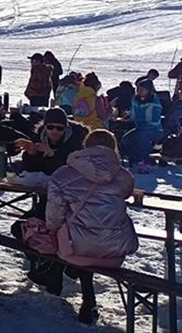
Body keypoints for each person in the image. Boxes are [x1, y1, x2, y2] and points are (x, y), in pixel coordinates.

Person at [42, 129, 138, 325]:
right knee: (86, 235)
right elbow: (125, 195)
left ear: (85, 147)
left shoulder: (63, 174)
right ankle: (62, 278)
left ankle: (55, 275)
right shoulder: (124, 176)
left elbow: (54, 215)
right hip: (115, 251)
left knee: (77, 238)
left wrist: (54, 231)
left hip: (76, 248)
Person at [16, 108, 89, 175]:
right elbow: (30, 170)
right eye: (50, 127)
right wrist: (31, 154)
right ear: (45, 127)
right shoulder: (39, 138)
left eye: (59, 128)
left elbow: (71, 170)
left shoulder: (77, 140)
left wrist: (52, 155)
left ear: (66, 128)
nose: (54, 131)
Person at [122, 79, 164, 171]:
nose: (139, 91)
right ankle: (136, 158)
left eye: (142, 89)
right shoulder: (135, 99)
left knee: (141, 136)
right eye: (138, 88)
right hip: (140, 128)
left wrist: (137, 119)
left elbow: (152, 118)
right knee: (126, 139)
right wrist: (128, 115)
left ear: (148, 90)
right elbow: (133, 112)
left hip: (154, 129)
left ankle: (144, 159)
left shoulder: (154, 102)